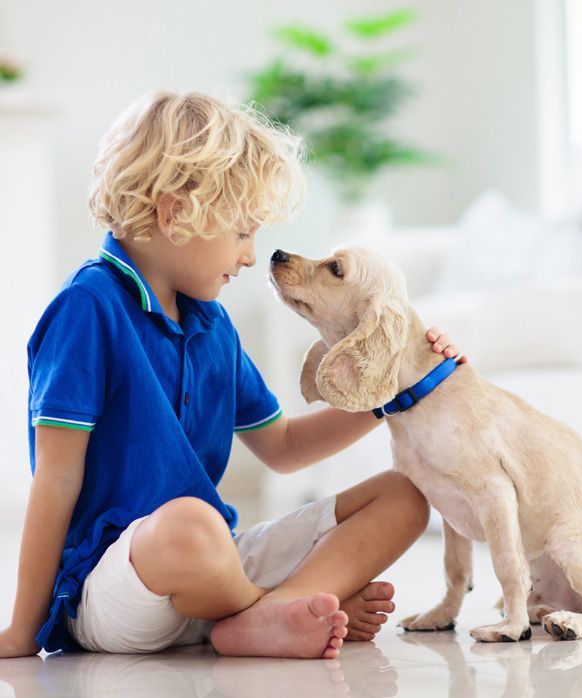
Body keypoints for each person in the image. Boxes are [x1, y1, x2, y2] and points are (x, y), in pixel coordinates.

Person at [0, 91, 464, 661]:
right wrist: (23, 631)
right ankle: (267, 608)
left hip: (210, 570)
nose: (250, 256)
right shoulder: (86, 310)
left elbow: (285, 447)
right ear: (175, 214)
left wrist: (392, 388)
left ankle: (270, 611)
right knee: (191, 527)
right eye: (242, 232)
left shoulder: (212, 324)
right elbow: (56, 481)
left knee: (403, 496)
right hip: (118, 587)